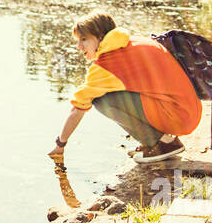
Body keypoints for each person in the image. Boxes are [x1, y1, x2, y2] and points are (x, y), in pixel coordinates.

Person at [48, 11, 202, 164]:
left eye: (84, 39)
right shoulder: (134, 42)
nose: (79, 46)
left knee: (102, 100)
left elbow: (77, 109)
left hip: (179, 116)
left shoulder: (108, 64)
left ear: (100, 37)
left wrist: (60, 145)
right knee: (116, 92)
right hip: (188, 109)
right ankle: (154, 141)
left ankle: (164, 143)